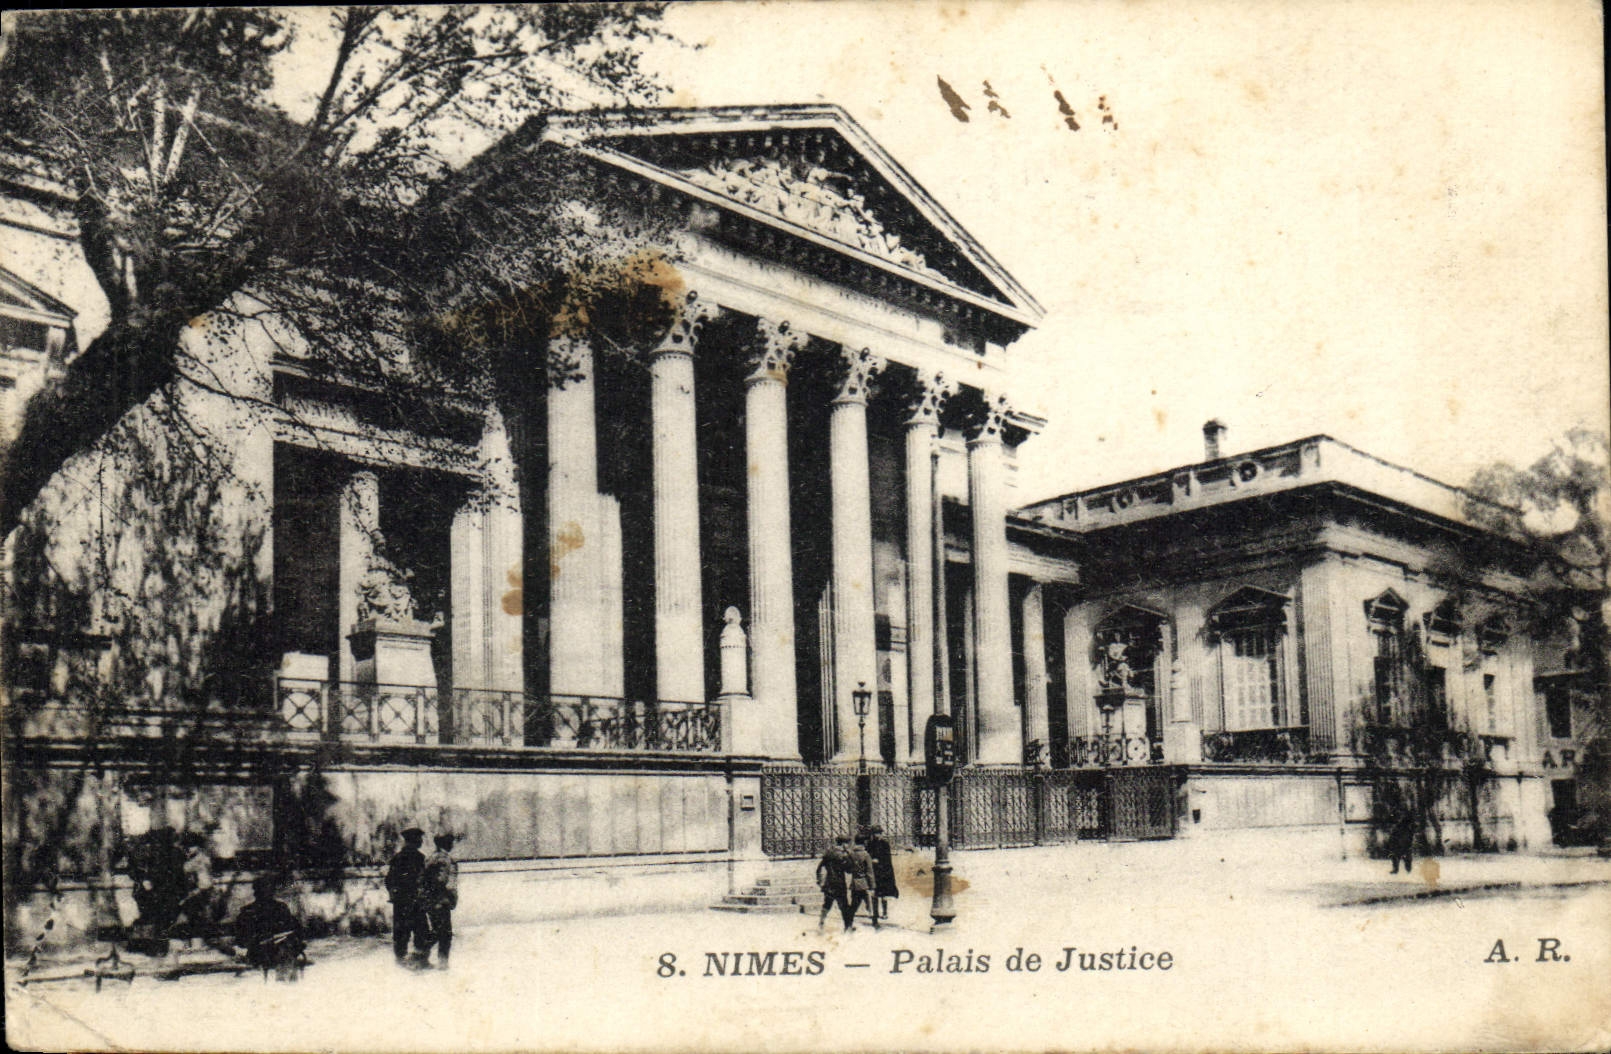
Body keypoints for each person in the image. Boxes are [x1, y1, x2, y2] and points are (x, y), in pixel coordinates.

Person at [232, 875, 306, 981]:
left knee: (286, 947)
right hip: (260, 951)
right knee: (286, 950)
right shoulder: (248, 912)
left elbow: (294, 927)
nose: (267, 893)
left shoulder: (281, 908)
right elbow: (241, 939)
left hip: (280, 947)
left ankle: (286, 983)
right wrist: (259, 939)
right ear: (256, 892)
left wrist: (292, 933)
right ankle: (285, 983)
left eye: (269, 889)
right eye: (263, 889)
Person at [385, 827, 431, 964]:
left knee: (400, 936)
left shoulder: (397, 858)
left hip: (400, 903)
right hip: (415, 903)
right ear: (415, 840)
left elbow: (388, 880)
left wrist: (395, 894)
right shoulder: (419, 858)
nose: (421, 842)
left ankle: (401, 966)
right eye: (420, 839)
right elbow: (423, 880)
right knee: (421, 934)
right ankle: (421, 965)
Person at [419, 833, 459, 968]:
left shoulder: (431, 857)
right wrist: (450, 896)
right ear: (445, 843)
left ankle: (421, 953)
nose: (452, 844)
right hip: (440, 900)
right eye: (450, 841)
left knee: (438, 931)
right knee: (445, 933)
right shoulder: (444, 859)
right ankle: (440, 961)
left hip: (431, 900)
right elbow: (442, 880)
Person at [815, 836, 852, 931]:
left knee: (827, 903)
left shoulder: (829, 853)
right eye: (847, 843)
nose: (848, 845)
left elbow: (819, 868)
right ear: (843, 844)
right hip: (839, 883)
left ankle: (821, 921)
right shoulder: (842, 856)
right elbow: (849, 870)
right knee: (844, 906)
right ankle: (847, 927)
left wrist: (819, 880)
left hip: (829, 883)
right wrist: (849, 855)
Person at [863, 825, 898, 925]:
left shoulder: (884, 844)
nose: (876, 835)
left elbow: (887, 858)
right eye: (875, 833)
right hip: (874, 871)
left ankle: (885, 912)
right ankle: (876, 913)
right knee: (875, 893)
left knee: (883, 894)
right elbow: (868, 856)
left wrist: (879, 862)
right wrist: (871, 861)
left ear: (881, 834)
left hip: (883, 872)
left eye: (878, 833)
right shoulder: (870, 844)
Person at [846, 836, 875, 931]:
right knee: (870, 904)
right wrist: (872, 885)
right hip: (864, 883)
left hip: (855, 883)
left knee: (854, 905)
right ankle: (875, 924)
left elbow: (849, 870)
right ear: (864, 843)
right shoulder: (866, 855)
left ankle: (849, 924)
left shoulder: (851, 854)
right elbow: (869, 871)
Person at [1387, 808, 1416, 875]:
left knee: (1405, 855)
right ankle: (1398, 869)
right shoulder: (1398, 825)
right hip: (1400, 841)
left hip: (1404, 840)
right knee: (1396, 855)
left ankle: (1406, 869)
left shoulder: (1406, 824)